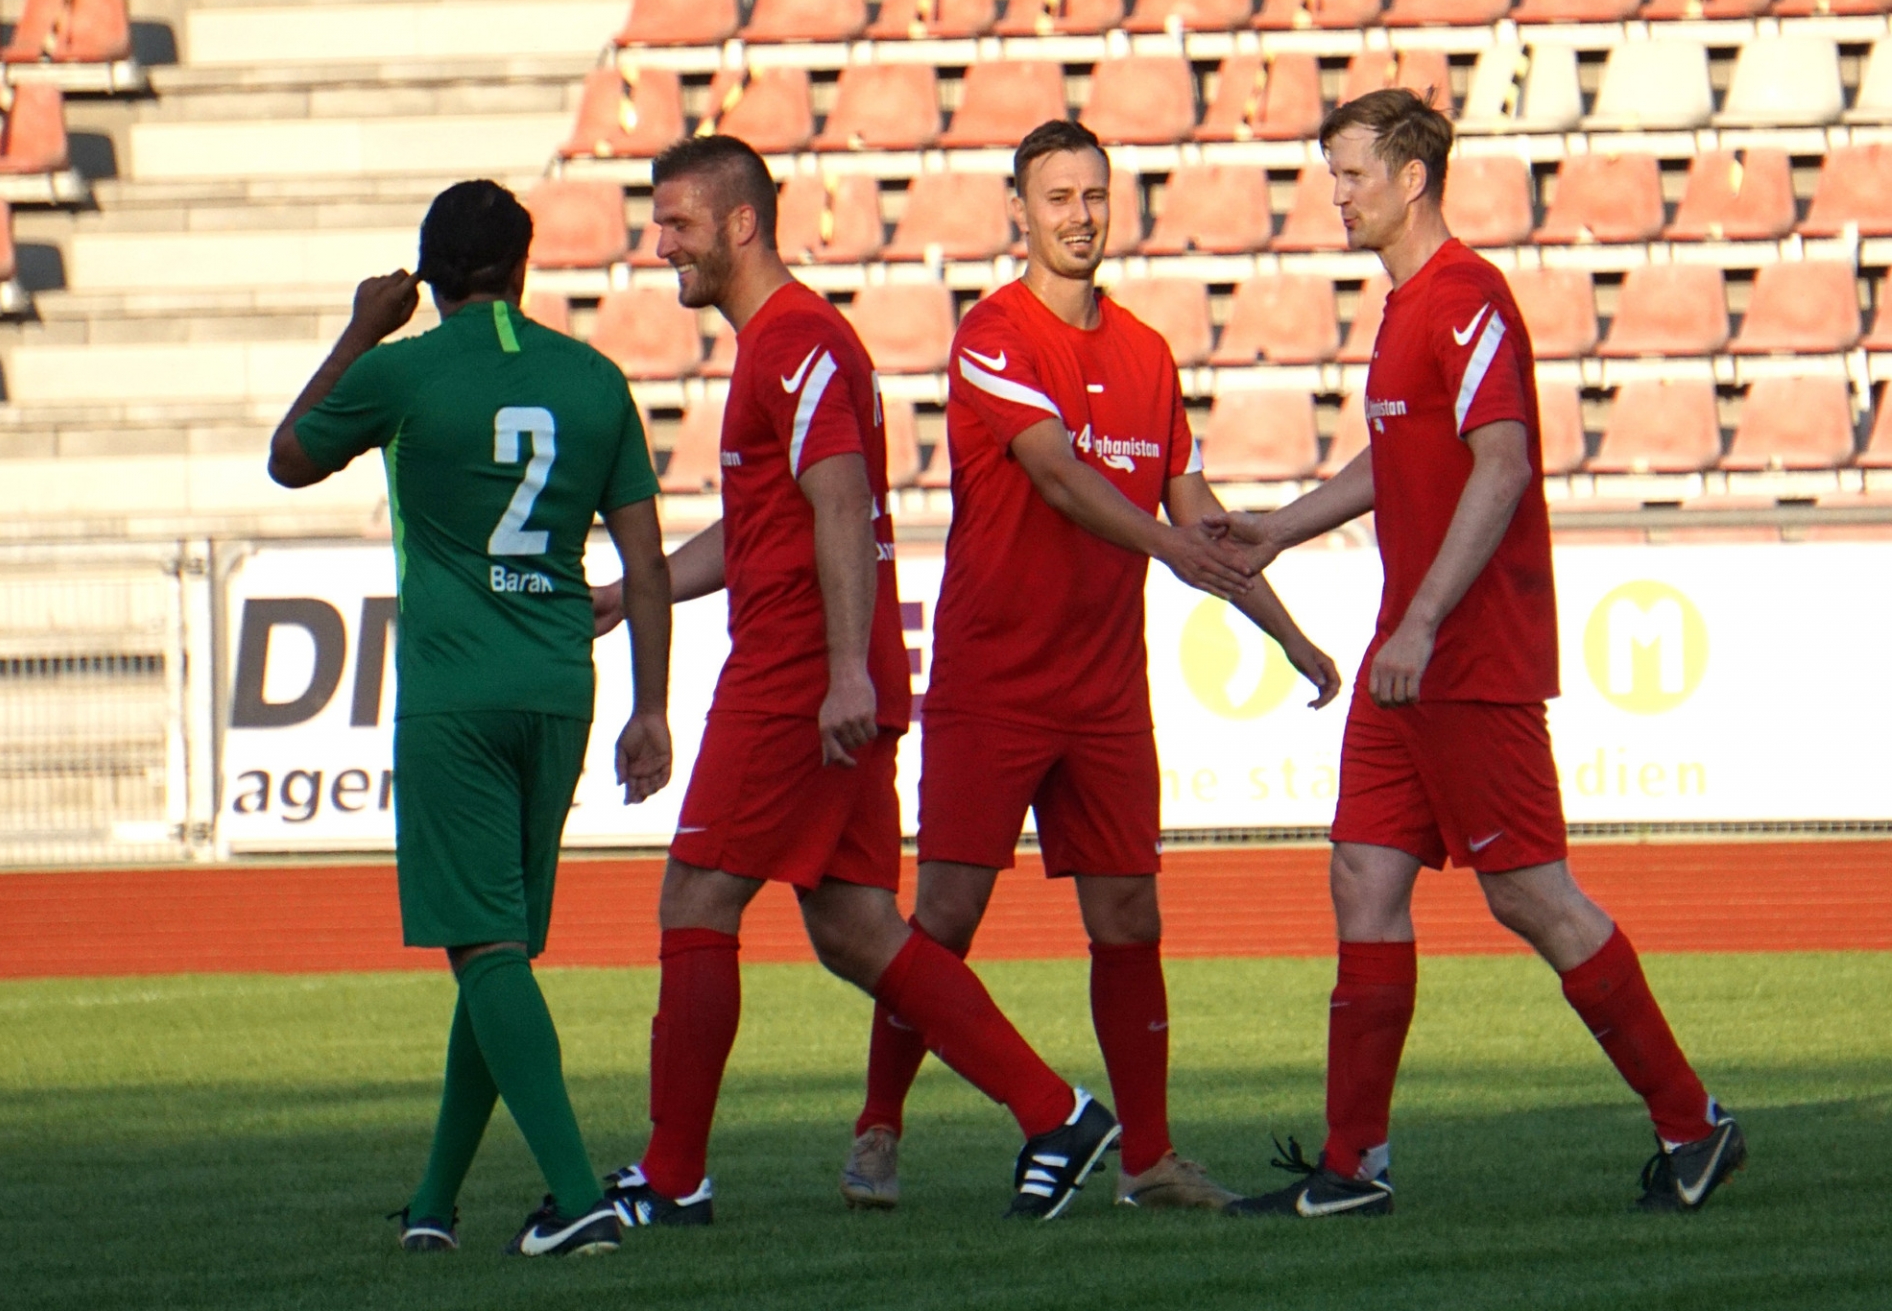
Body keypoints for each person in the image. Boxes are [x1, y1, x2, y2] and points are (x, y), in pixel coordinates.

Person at [1207, 90, 1745, 1218]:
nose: (1337, 194)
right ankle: (1353, 1167)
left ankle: (1693, 1125)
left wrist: (1421, 622)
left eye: (1351, 174)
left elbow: (1502, 466)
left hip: (1463, 655)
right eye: (1332, 173)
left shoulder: (1466, 297)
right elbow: (1394, 457)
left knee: (1531, 895)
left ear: (1412, 179)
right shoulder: (1409, 307)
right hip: (1409, 656)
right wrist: (1279, 530)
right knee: (1362, 875)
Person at [590, 134, 1119, 1227]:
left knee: (697, 896)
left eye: (679, 223)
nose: (662, 244)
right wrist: (631, 592)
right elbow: (768, 524)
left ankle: (673, 1176)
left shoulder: (795, 341)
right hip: (827, 669)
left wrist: (839, 676)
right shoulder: (786, 344)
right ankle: (1056, 1114)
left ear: (741, 223)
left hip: (798, 673)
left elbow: (840, 504)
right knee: (856, 929)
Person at [837, 120, 1343, 1214]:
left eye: (1095, 195)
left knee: (1129, 921)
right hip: (993, 681)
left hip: (1107, 692)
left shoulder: (1149, 354)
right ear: (1018, 211)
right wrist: (1174, 551)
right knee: (945, 920)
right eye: (1058, 196)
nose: (1080, 215)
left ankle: (1147, 1158)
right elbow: (1059, 476)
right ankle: (879, 1127)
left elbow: (1198, 516)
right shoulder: (993, 335)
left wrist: (1289, 633)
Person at [267, 179, 674, 1257]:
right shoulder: (594, 379)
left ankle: (578, 1200)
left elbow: (290, 457)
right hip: (560, 689)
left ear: (428, 275)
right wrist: (652, 707)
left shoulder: (401, 370)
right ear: (524, 268)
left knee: (487, 952)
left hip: (456, 693)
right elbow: (642, 564)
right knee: (496, 957)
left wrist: (362, 328)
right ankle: (433, 1206)